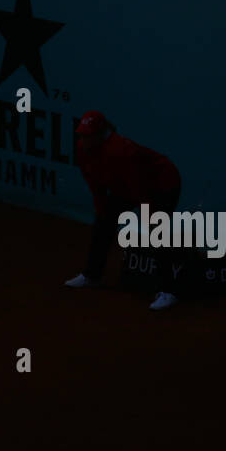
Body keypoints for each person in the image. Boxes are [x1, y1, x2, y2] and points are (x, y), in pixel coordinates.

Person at [64, 111, 183, 310]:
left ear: (100, 135)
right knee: (103, 222)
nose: (83, 139)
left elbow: (139, 187)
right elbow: (95, 182)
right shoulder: (82, 149)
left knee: (156, 232)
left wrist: (150, 215)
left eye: (88, 135)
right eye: (81, 135)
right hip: (127, 185)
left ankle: (169, 292)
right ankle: (92, 276)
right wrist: (103, 210)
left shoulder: (121, 151)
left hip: (163, 183)